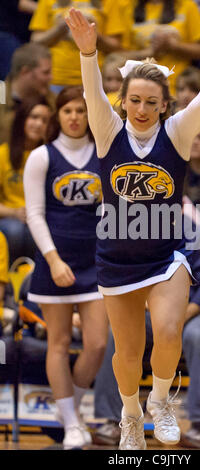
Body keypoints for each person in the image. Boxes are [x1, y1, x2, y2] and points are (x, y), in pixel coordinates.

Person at [66, 7, 200, 450]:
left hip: (165, 255)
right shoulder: (107, 129)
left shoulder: (178, 133)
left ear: (165, 105)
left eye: (152, 102)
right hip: (115, 259)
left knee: (170, 331)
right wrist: (88, 52)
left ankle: (162, 401)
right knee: (127, 354)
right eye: (135, 100)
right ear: (123, 101)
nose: (142, 109)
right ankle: (131, 414)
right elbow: (93, 90)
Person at [93, 224, 200, 450]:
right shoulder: (125, 229)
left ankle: (198, 424)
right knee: (118, 341)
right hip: (149, 308)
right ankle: (115, 419)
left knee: (195, 335)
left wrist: (180, 313)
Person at [23, 86, 109, 450]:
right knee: (57, 343)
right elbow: (34, 214)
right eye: (67, 111)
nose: (74, 117)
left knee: (98, 344)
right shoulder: (41, 157)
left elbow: (110, 208)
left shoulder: (104, 155)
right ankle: (73, 423)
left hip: (95, 262)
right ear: (57, 115)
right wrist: (54, 259)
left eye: (80, 110)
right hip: (55, 259)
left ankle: (67, 407)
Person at [30, 0, 126, 92]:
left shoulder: (109, 1)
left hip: (94, 79)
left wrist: (92, 33)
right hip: (56, 78)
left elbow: (116, 46)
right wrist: (59, 29)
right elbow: (35, 41)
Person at [0, 95, 52, 263]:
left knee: (34, 231)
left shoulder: (50, 155)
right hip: (10, 216)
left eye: (44, 120)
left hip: (41, 217)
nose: (38, 124)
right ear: (22, 119)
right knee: (15, 231)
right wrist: (14, 212)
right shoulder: (3, 153)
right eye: (34, 117)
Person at [119, 0, 200, 95]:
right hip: (140, 87)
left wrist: (173, 46)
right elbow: (117, 56)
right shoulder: (128, 6)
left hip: (177, 88)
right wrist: (149, 53)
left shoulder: (187, 5)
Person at [0, 42, 54, 145]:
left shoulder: (52, 101)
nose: (51, 77)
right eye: (45, 72)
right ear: (25, 72)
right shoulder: (1, 94)